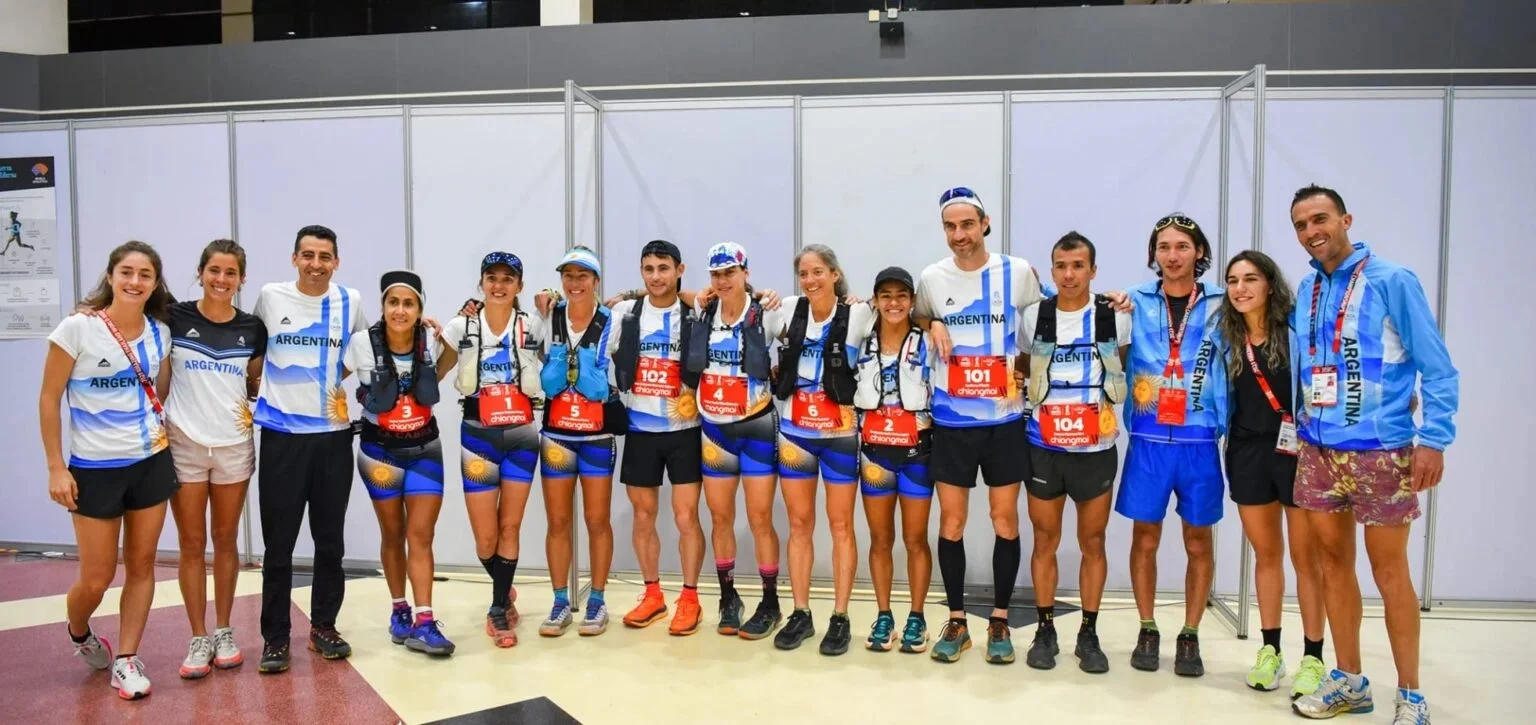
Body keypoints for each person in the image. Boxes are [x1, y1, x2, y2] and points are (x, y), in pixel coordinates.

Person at [1287, 185, 1457, 725]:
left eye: (1320, 219)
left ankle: (1411, 695)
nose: (1312, 232)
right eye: (1301, 225)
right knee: (1333, 566)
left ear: (1346, 219)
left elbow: (1438, 367)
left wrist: (1434, 439)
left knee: (1390, 573)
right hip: (1318, 450)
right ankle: (1350, 681)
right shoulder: (1309, 287)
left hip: (1381, 453)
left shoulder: (1391, 280)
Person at [40, 240, 175, 700]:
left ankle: (127, 659)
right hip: (94, 470)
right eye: (127, 272)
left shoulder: (160, 332)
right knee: (97, 578)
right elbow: (48, 399)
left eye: (145, 275)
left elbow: (159, 390)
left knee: (141, 566)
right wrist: (56, 467)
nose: (135, 282)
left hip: (151, 463)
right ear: (111, 276)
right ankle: (79, 631)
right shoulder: (77, 328)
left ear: (155, 283)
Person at [916, 186, 1043, 664]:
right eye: (950, 226)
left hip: (1004, 422)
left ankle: (1000, 620)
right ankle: (956, 620)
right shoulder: (932, 277)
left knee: (1004, 519)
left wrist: (1024, 371)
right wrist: (930, 323)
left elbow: (1046, 324)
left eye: (967, 224)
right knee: (951, 522)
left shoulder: (1017, 271)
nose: (959, 234)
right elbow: (916, 313)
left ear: (985, 224)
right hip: (951, 422)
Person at [1115, 212, 1230, 678]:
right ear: (1154, 253)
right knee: (1145, 537)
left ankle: (1190, 633)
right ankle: (1147, 627)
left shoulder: (1223, 303)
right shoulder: (1133, 301)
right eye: (1164, 247)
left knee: (1198, 540)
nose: (1173, 255)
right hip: (1147, 439)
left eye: (1182, 246)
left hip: (1200, 440)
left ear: (1199, 251)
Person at [250, 224, 369, 674]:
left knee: (330, 541)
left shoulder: (350, 300)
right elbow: (252, 351)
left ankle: (324, 627)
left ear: (336, 261)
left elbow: (365, 350)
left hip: (333, 438)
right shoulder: (271, 296)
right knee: (278, 545)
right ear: (294, 258)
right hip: (281, 438)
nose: (315, 264)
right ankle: (276, 638)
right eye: (307, 255)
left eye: (324, 256)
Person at [1218, 250, 1328, 699]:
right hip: (1247, 453)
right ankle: (1271, 651)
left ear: (1269, 284)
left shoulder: (1297, 330)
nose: (1240, 288)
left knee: (1306, 559)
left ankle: (1313, 657)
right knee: (1267, 556)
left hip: (1298, 452)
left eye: (1250, 279)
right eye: (1232, 280)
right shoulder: (1226, 337)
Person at [1019, 232, 1130, 674]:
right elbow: (1022, 367)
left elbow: (1121, 366)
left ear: (1093, 270)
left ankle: (1088, 632)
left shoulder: (1114, 316)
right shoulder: (1034, 316)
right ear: (1052, 270)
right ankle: (1045, 630)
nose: (1069, 275)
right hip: (1043, 447)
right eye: (1061, 266)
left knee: (1093, 541)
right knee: (1045, 539)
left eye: (1078, 266)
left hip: (1095, 449)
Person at [164, 239, 266, 679]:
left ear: (242, 279)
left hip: (233, 446)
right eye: (214, 271)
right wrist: (89, 310)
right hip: (184, 444)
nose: (221, 280)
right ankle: (198, 635)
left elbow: (255, 383)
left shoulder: (253, 328)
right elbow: (121, 311)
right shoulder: (174, 317)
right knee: (191, 543)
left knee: (225, 539)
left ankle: (224, 631)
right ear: (201, 272)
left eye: (231, 273)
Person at [771, 244, 875, 655]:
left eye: (818, 272)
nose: (810, 280)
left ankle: (841, 616)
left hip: (839, 434)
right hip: (796, 433)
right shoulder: (788, 309)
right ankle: (801, 612)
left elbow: (905, 308)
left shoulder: (858, 313)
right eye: (804, 273)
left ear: (835, 274)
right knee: (799, 524)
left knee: (840, 525)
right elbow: (734, 299)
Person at [346, 270, 454, 656]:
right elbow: (331, 376)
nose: (400, 310)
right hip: (380, 452)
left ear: (420, 309)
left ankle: (425, 622)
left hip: (425, 448)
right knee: (393, 533)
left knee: (421, 535)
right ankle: (399, 610)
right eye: (393, 302)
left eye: (409, 303)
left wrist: (444, 337)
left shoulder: (431, 342)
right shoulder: (362, 343)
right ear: (383, 306)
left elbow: (448, 362)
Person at [439, 252, 544, 648]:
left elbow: (558, 361)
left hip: (521, 436)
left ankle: (498, 608)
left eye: (507, 279)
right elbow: (435, 373)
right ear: (481, 283)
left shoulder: (533, 326)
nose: (499, 285)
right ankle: (505, 585)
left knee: (510, 527)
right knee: (486, 538)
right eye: (492, 278)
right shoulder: (461, 325)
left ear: (520, 285)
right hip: (478, 435)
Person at [685, 242, 788, 641]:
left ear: (745, 272)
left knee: (760, 518)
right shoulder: (703, 309)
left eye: (730, 272)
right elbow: (667, 290)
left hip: (756, 426)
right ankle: (728, 597)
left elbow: (808, 326)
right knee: (720, 517)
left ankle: (770, 601)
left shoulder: (768, 311)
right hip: (715, 429)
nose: (723, 280)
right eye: (716, 274)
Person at [607, 240, 708, 636]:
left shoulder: (696, 310)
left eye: (663, 268)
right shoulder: (626, 313)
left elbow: (735, 296)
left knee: (686, 517)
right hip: (640, 430)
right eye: (648, 269)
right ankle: (652, 595)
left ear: (679, 270)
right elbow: (586, 320)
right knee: (643, 516)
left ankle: (690, 598)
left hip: (686, 431)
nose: (655, 276)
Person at [537, 246, 621, 637]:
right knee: (557, 521)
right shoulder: (548, 315)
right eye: (568, 275)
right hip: (557, 435)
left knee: (597, 519)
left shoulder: (612, 319)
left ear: (596, 281)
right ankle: (559, 602)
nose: (575, 283)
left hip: (596, 436)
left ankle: (598, 600)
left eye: (582, 275)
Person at [853, 266, 935, 654]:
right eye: (885, 296)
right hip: (875, 454)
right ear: (875, 301)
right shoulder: (861, 339)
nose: (894, 303)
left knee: (915, 539)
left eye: (901, 295)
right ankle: (884, 614)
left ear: (912, 301)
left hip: (918, 453)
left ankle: (917, 616)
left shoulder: (928, 340)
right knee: (880, 539)